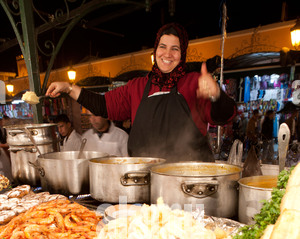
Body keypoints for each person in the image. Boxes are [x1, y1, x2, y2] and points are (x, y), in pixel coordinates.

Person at [46, 23, 236, 162]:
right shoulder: (137, 87)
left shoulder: (193, 82)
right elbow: (103, 105)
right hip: (148, 182)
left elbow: (225, 116)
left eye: (175, 49)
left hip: (189, 183)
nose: (167, 54)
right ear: (156, 50)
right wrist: (69, 88)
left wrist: (216, 95)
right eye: (163, 47)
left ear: (182, 53)